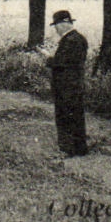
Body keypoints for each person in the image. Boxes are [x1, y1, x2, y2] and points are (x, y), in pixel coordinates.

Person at [46, 9, 88, 156]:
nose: (56, 29)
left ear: (65, 24)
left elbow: (62, 62)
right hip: (75, 84)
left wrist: (49, 59)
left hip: (66, 86)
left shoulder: (70, 40)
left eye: (56, 25)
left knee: (65, 116)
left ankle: (67, 149)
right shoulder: (79, 38)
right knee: (75, 116)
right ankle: (79, 148)